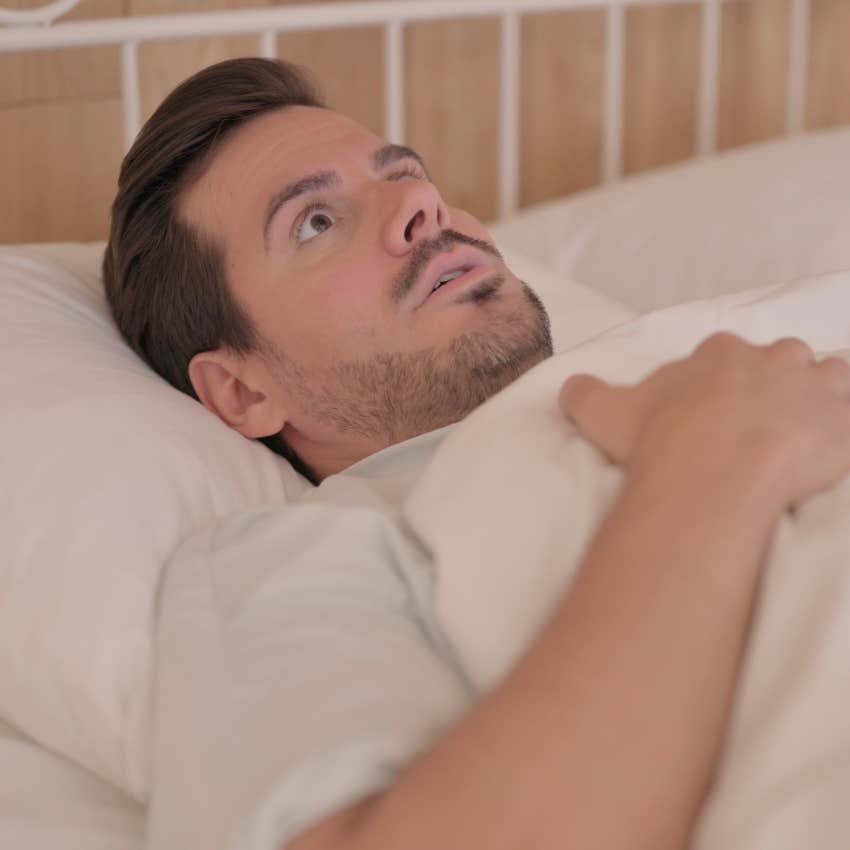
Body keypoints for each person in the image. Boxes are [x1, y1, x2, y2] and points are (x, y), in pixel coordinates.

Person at [103, 59, 850, 850]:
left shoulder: (713, 354)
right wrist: (712, 468)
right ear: (243, 392)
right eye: (316, 221)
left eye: (407, 176)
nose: (420, 204)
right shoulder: (288, 561)